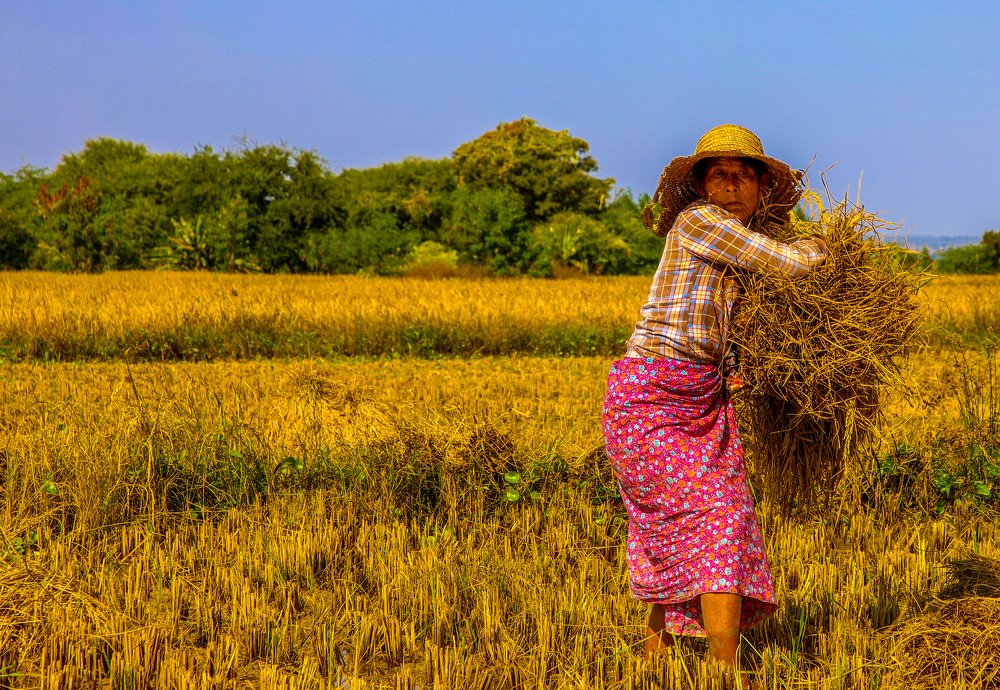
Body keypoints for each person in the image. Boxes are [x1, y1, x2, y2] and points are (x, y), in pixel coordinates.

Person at [602, 124, 829, 670]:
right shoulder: (701, 223)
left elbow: (729, 327)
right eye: (719, 175)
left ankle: (653, 663)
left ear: (760, 188)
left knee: (691, 527)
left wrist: (734, 370)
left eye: (743, 175)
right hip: (650, 398)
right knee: (718, 521)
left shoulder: (735, 259)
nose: (731, 185)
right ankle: (724, 674)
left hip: (703, 403)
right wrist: (827, 245)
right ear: (703, 186)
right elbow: (793, 264)